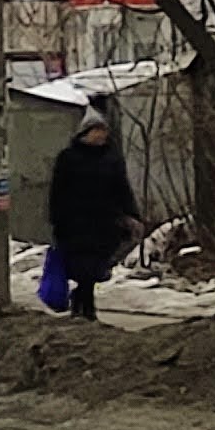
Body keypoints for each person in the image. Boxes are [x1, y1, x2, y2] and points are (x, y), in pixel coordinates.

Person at [46, 109, 137, 321]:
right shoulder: (68, 158)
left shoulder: (111, 159)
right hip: (75, 223)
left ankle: (81, 299)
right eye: (96, 130)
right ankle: (86, 306)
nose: (101, 135)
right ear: (85, 133)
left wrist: (131, 214)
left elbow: (122, 189)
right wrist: (57, 219)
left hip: (104, 223)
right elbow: (58, 191)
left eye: (103, 130)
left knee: (96, 266)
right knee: (81, 266)